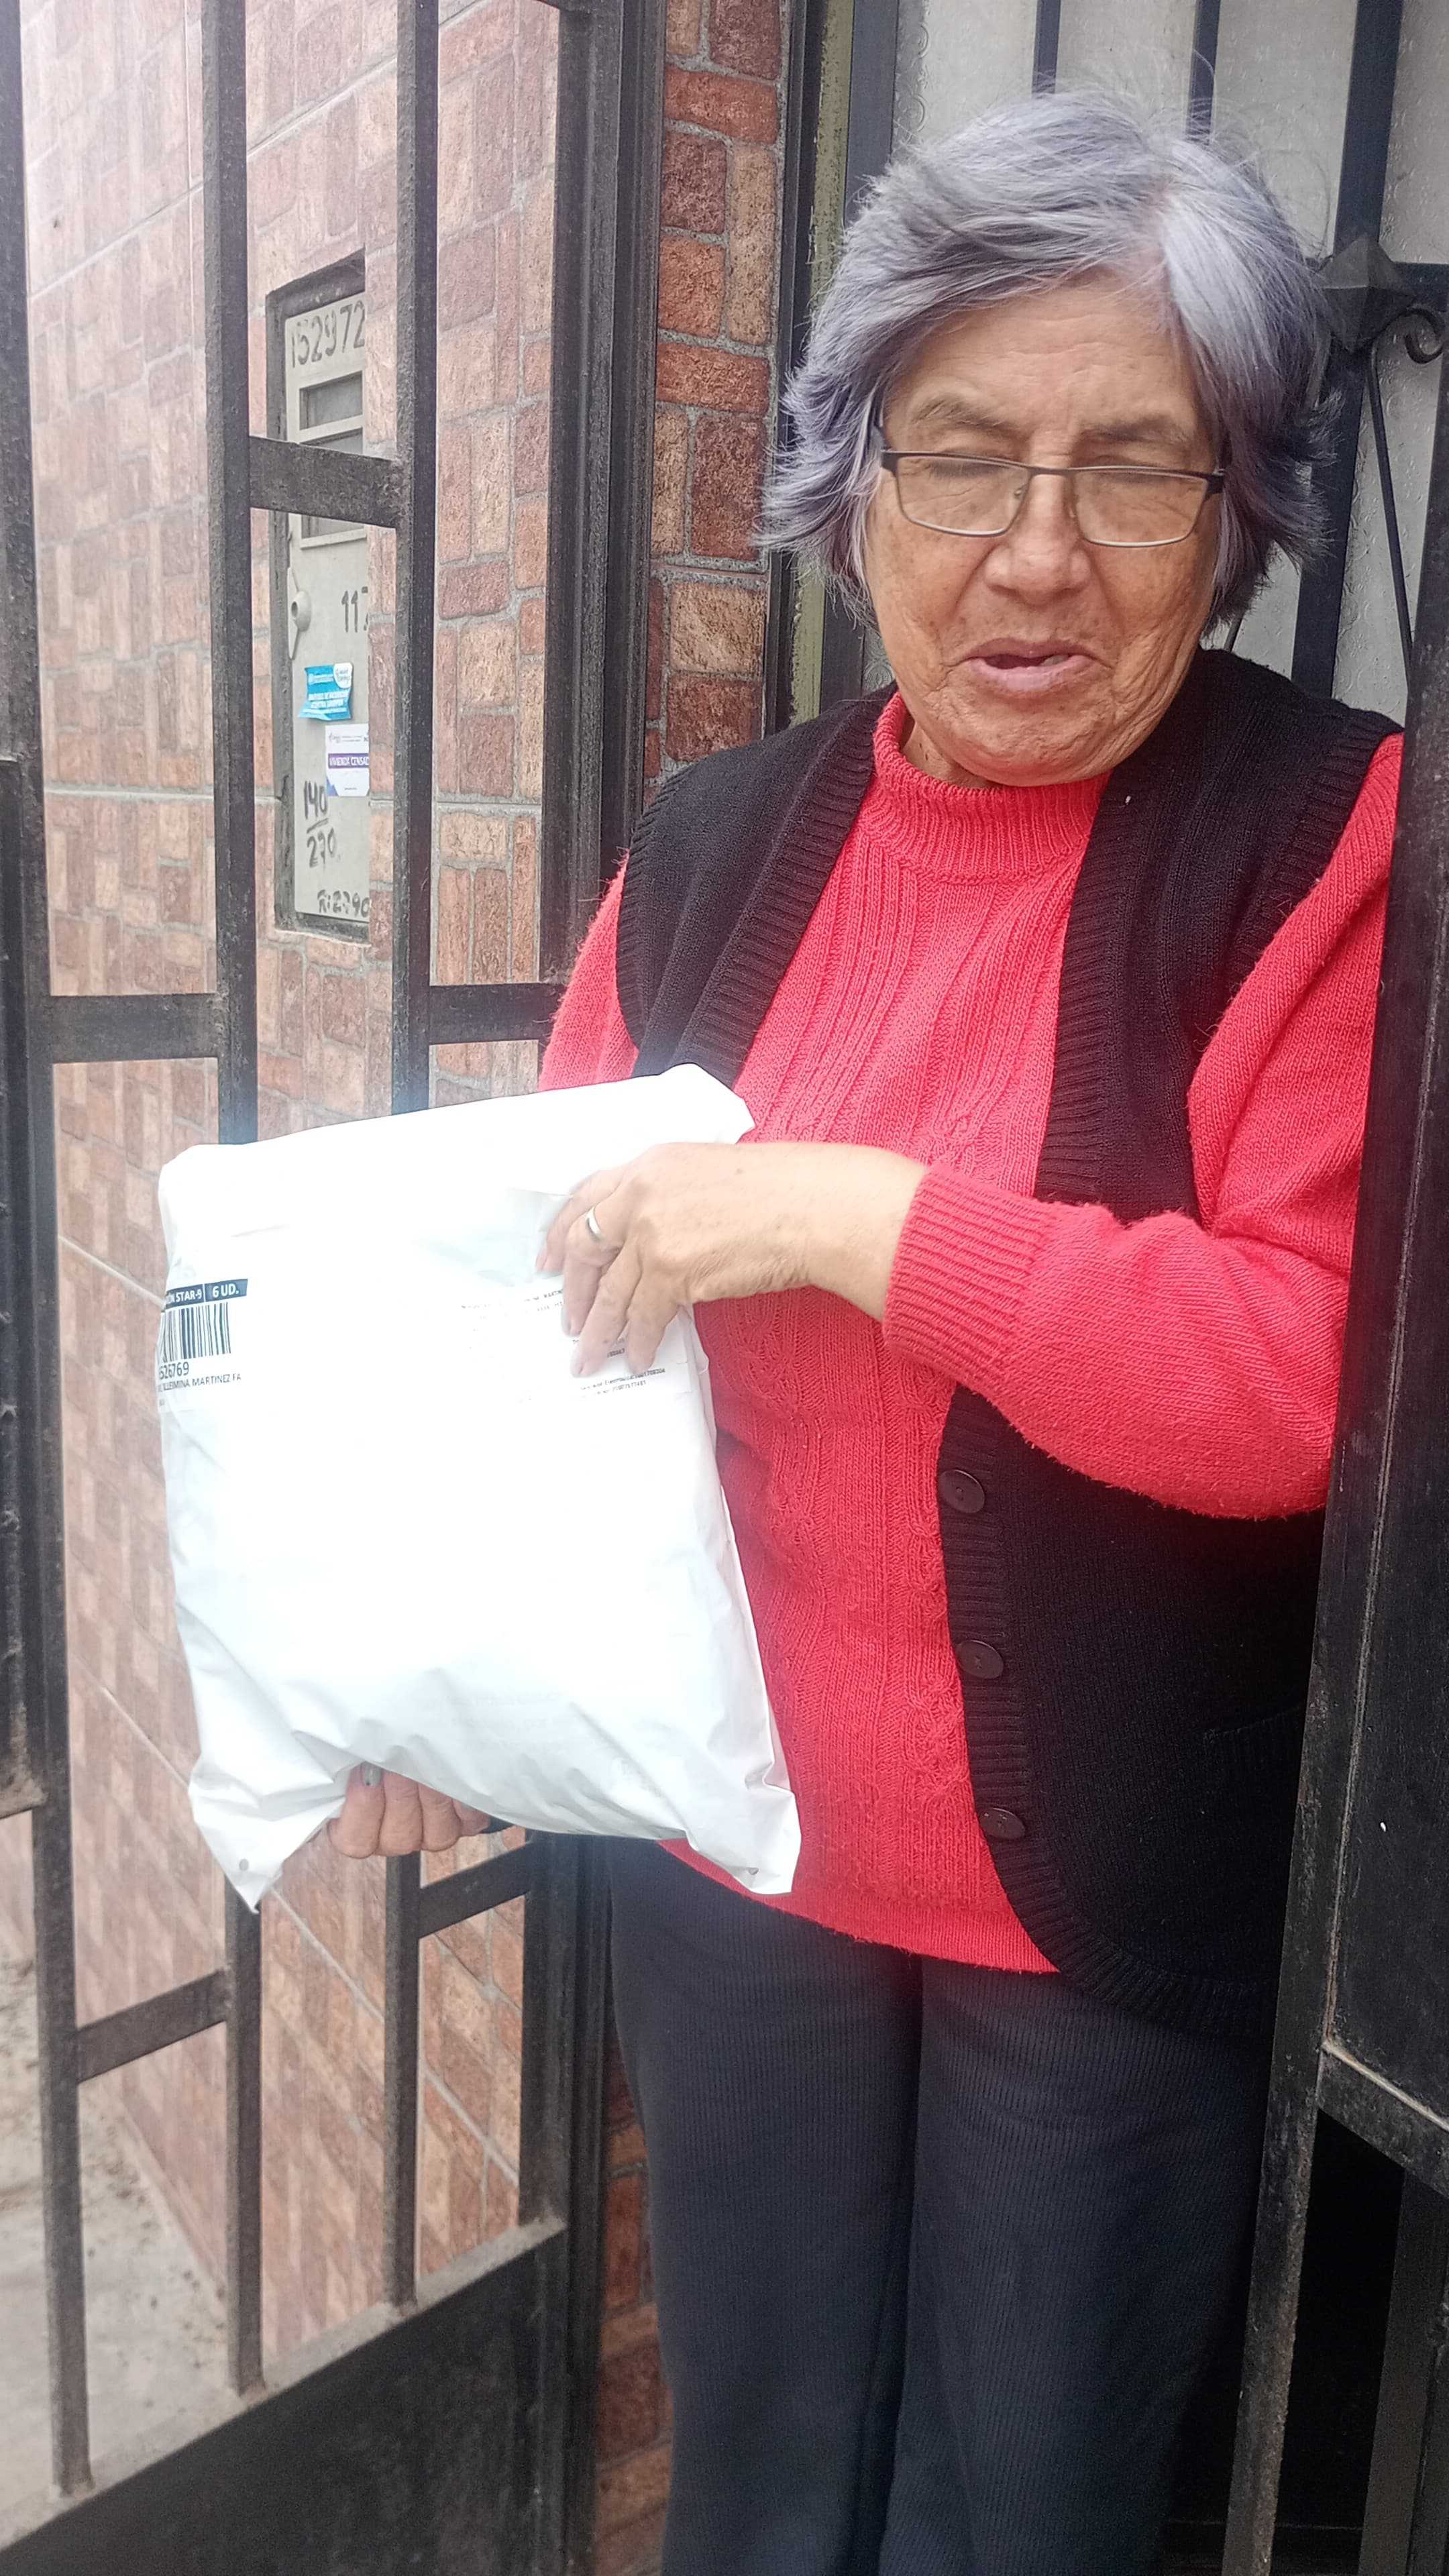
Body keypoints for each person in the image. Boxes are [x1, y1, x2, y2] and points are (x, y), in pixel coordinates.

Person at [333, 92, 1402, 2576]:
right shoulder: (720, 840)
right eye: (964, 454)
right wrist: (427, 1684)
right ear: (853, 482)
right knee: (759, 2475)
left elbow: (1302, 1380)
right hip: (739, 1835)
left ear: (1238, 511)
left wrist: (846, 1216)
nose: (1038, 549)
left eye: (1134, 468)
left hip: (1104, 1890)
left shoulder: (1325, 837)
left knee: (1022, 2513)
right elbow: (542, 1309)